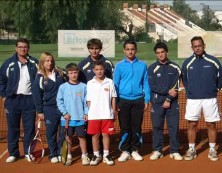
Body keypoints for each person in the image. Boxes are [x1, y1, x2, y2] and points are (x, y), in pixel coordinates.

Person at [182, 36, 222, 161]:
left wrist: (216, 89)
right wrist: (190, 91)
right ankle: (192, 149)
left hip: (210, 98)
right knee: (192, 124)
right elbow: (185, 79)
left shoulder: (213, 61)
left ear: (204, 46)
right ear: (192, 47)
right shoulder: (187, 63)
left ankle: (212, 150)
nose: (197, 48)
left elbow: (220, 78)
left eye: (199, 45)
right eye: (195, 46)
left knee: (211, 124)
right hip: (193, 99)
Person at [0, 38, 38, 163]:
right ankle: (14, 153)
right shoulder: (8, 63)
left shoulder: (34, 63)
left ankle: (28, 152)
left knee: (29, 128)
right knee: (13, 128)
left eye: (25, 47)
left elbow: (41, 78)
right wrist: (4, 95)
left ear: (28, 48)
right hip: (13, 100)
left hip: (29, 100)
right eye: (20, 46)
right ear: (16, 48)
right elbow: (2, 80)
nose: (23, 49)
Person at [114, 39, 150, 162]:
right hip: (123, 100)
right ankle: (125, 150)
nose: (130, 51)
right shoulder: (119, 66)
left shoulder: (143, 65)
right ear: (124, 50)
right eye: (128, 49)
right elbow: (115, 84)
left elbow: (145, 83)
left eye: (132, 49)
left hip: (138, 100)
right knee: (124, 126)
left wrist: (147, 99)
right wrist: (116, 100)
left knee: (136, 126)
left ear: (136, 50)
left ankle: (134, 150)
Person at [78, 38, 114, 156]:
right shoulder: (83, 64)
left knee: (105, 133)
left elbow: (111, 83)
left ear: (100, 49)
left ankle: (105, 153)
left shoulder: (107, 63)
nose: (94, 51)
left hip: (104, 105)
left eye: (97, 48)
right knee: (91, 132)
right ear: (88, 49)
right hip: (91, 106)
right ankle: (92, 153)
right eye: (92, 48)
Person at [148, 42, 182, 161]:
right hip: (157, 103)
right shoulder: (152, 68)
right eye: (158, 53)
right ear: (155, 54)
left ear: (167, 52)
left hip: (172, 103)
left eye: (162, 52)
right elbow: (153, 86)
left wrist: (168, 99)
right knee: (157, 127)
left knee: (173, 127)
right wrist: (167, 91)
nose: (160, 55)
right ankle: (158, 150)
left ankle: (174, 150)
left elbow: (176, 86)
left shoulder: (175, 67)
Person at [32, 52, 66, 163]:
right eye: (47, 61)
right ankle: (53, 153)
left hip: (62, 108)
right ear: (42, 62)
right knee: (51, 132)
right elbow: (37, 95)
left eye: (51, 60)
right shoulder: (39, 78)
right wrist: (40, 111)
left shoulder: (60, 73)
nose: (49, 63)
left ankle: (61, 152)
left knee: (63, 132)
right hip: (49, 109)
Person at [57, 63, 90, 166]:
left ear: (78, 73)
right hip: (66, 119)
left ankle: (84, 155)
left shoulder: (84, 86)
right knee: (68, 138)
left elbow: (86, 102)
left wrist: (86, 113)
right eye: (71, 73)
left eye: (75, 72)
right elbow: (59, 101)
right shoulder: (63, 87)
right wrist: (65, 113)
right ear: (67, 74)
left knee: (82, 137)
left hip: (80, 118)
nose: (73, 75)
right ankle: (69, 156)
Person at [86, 61, 116, 166]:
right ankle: (96, 155)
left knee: (106, 135)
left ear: (104, 70)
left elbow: (113, 98)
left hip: (107, 114)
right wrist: (90, 112)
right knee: (95, 136)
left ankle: (106, 155)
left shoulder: (110, 82)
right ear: (93, 70)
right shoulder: (90, 83)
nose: (99, 71)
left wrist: (113, 111)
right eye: (97, 70)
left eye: (101, 69)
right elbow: (88, 100)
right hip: (94, 115)